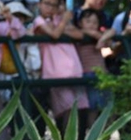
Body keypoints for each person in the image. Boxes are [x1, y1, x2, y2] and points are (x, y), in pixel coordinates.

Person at [33, 0, 89, 130]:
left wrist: (61, 26)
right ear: (39, 5)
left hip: (75, 71)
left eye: (54, 5)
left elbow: (79, 34)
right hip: (55, 74)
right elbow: (54, 34)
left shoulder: (59, 21)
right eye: (47, 4)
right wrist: (64, 23)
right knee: (66, 110)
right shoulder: (39, 21)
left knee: (81, 108)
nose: (51, 8)